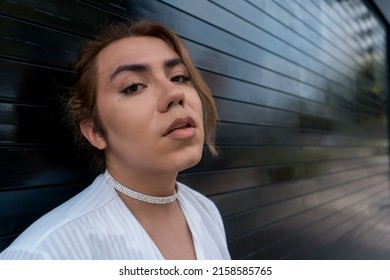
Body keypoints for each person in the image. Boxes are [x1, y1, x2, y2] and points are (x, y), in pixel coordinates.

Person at [0, 20, 230, 260]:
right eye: (133, 87)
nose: (174, 93)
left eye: (179, 77)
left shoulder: (206, 212)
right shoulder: (43, 256)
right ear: (95, 132)